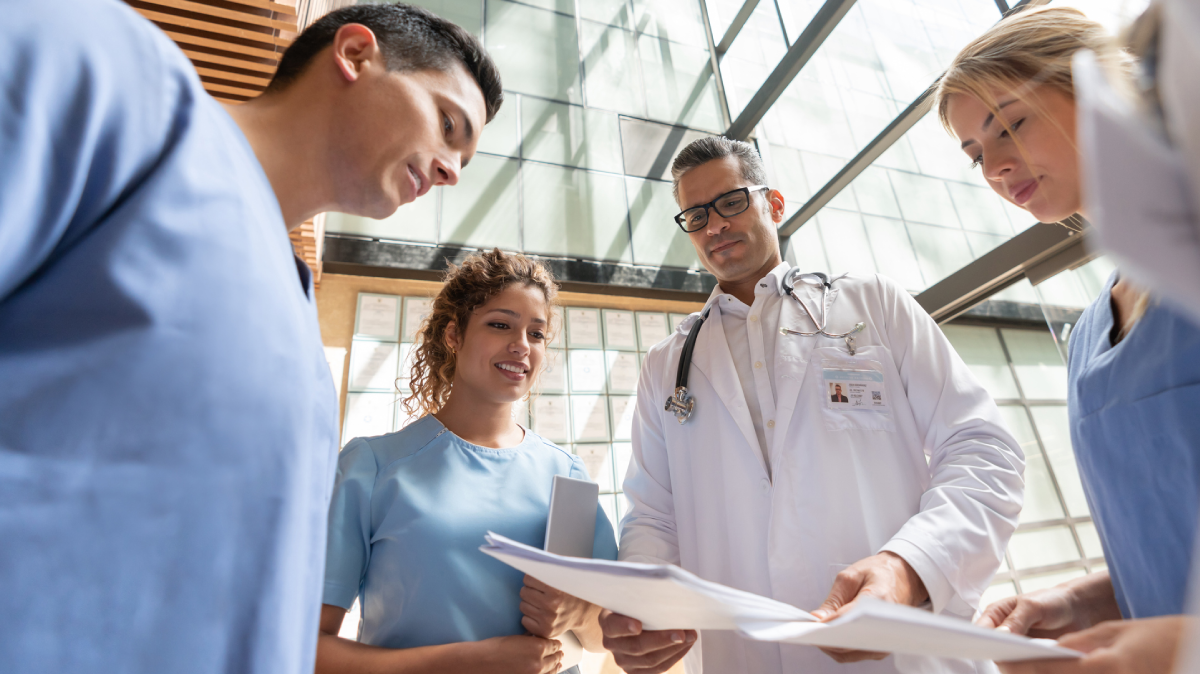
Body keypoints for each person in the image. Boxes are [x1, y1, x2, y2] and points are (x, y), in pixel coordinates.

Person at [0, 2, 501, 672]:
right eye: (448, 126)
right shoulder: (115, 77)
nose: (451, 173)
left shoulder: (299, 332)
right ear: (354, 54)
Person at [601, 136, 1025, 674]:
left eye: (731, 202)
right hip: (746, 654)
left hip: (898, 652)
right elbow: (653, 515)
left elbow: (982, 448)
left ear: (773, 204)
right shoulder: (668, 364)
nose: (714, 226)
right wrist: (645, 610)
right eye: (695, 215)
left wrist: (912, 565)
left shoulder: (872, 304)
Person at [935, 6, 1200, 673]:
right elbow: (1166, 546)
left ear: (1100, 87)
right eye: (975, 156)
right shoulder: (1087, 336)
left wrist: (1177, 648)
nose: (996, 165)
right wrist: (1090, 603)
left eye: (1012, 124)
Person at [316, 250, 617, 674]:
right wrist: (470, 661)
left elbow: (610, 636)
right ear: (453, 335)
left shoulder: (564, 473)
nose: (521, 345)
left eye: (537, 333)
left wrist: (577, 615)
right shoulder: (372, 467)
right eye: (500, 325)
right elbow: (310, 649)